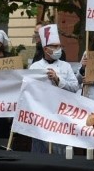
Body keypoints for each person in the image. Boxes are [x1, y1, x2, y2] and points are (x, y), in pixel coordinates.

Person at [30, 24, 79, 154]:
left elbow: (75, 87)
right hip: (41, 117)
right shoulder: (34, 67)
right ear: (46, 49)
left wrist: (58, 80)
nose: (59, 49)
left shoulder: (66, 66)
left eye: (59, 46)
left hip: (61, 117)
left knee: (61, 153)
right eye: (55, 46)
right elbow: (29, 92)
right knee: (40, 153)